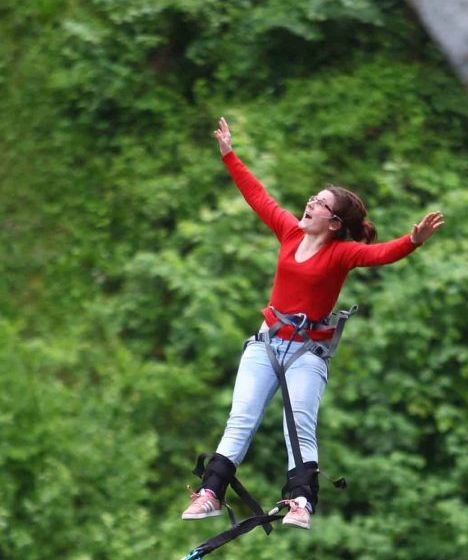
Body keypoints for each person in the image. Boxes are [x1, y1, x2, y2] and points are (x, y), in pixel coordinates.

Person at [182, 117, 443, 529]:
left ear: (334, 222)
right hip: (267, 344)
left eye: (319, 203)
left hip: (306, 352)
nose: (309, 204)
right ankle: (211, 492)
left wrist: (412, 241)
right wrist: (229, 154)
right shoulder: (289, 232)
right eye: (312, 199)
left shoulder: (342, 254)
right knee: (241, 418)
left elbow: (382, 255)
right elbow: (258, 196)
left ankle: (301, 501)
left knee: (299, 428)